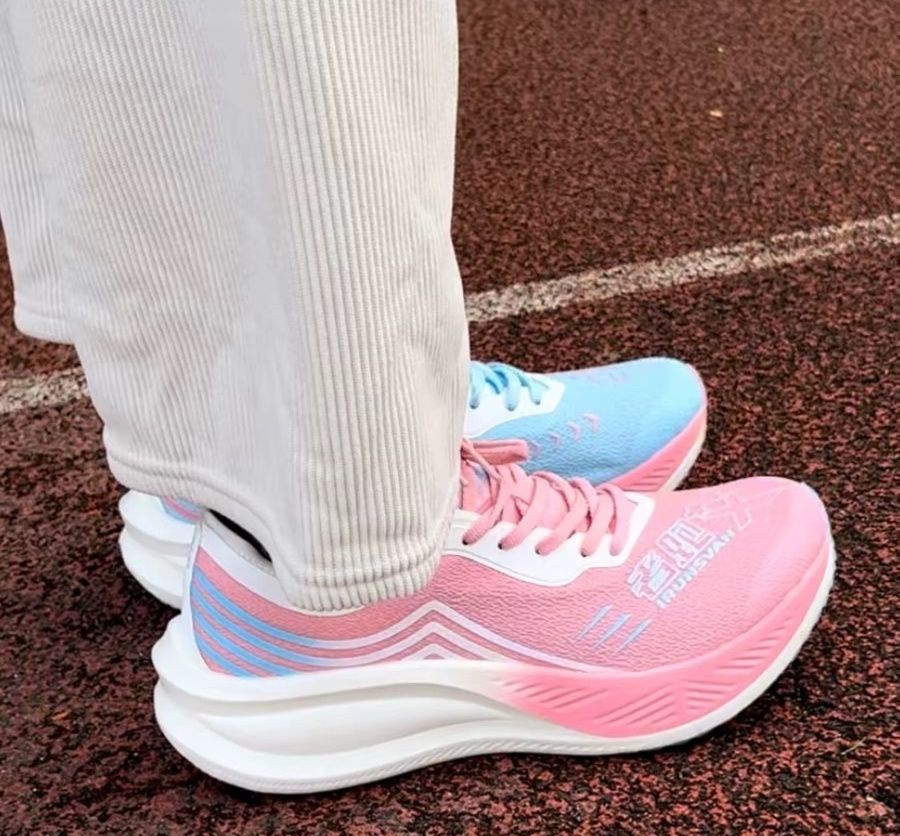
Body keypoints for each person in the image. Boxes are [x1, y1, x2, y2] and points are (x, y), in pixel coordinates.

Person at [0, 1, 833, 793]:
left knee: (136, 34)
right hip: (340, 548)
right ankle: (356, 540)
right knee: (297, 42)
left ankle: (228, 461)